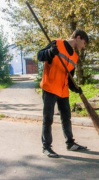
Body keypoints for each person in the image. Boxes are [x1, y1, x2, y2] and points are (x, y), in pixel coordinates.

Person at [37, 29, 89, 158]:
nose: (83, 47)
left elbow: (69, 77)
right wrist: (50, 52)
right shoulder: (57, 44)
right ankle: (46, 147)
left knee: (66, 117)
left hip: (63, 90)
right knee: (48, 118)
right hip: (50, 87)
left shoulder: (74, 57)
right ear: (78, 38)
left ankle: (70, 143)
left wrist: (76, 89)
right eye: (84, 43)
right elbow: (39, 56)